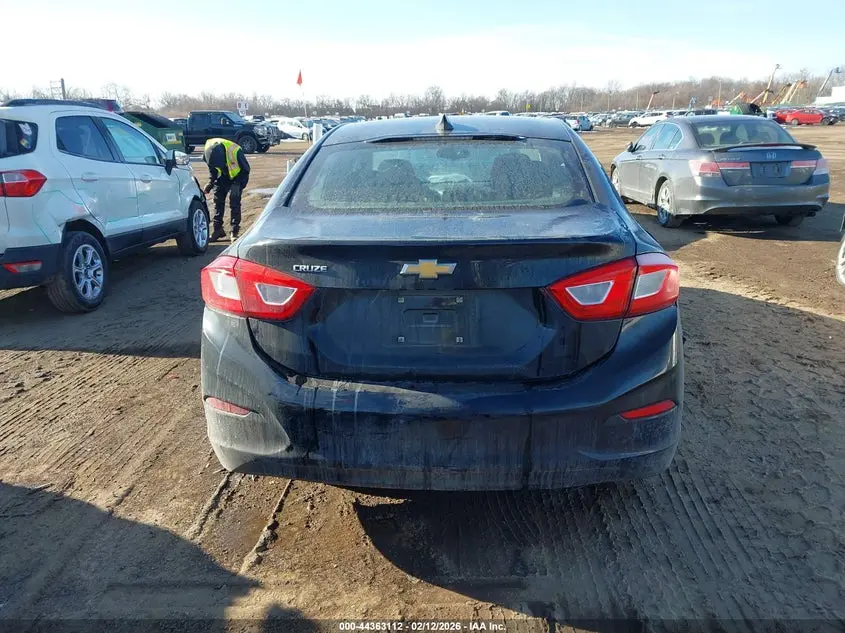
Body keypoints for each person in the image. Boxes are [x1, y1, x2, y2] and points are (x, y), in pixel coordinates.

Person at [202, 138, 250, 242]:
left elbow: (246, 170)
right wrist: (210, 183)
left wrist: (237, 184)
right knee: (217, 200)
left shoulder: (235, 151)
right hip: (223, 176)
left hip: (238, 176)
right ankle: (217, 230)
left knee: (234, 199)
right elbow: (212, 169)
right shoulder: (208, 152)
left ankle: (234, 231)